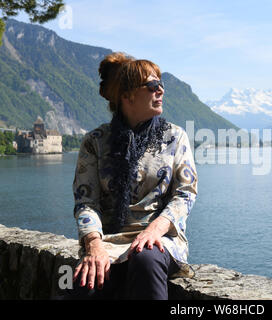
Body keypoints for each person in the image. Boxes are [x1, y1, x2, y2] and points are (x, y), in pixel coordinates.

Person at [63, 52, 198, 300]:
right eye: (152, 85)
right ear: (127, 96)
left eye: (161, 84)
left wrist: (155, 229)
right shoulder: (95, 142)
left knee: (145, 259)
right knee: (85, 287)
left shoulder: (175, 137)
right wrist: (94, 245)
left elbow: (184, 194)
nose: (161, 91)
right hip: (108, 243)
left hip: (159, 240)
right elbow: (86, 202)